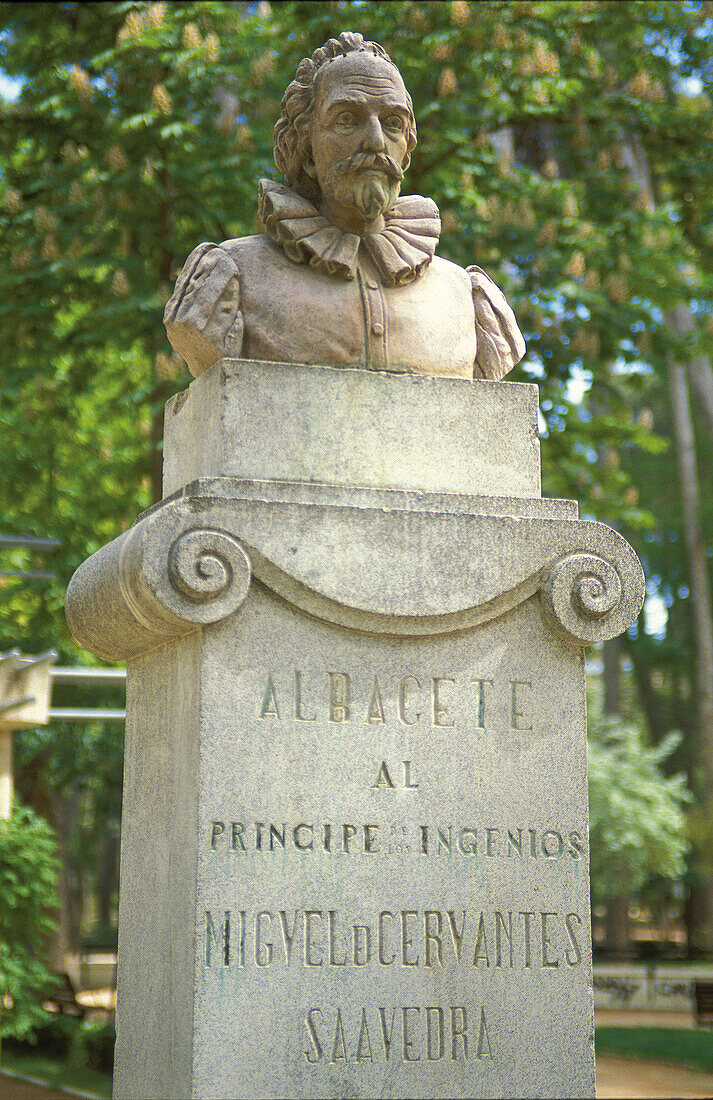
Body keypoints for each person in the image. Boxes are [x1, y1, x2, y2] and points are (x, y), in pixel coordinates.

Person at [164, 31, 525, 381]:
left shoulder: (464, 296)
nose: (374, 141)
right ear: (306, 150)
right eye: (347, 120)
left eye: (393, 123)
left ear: (407, 149)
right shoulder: (235, 277)